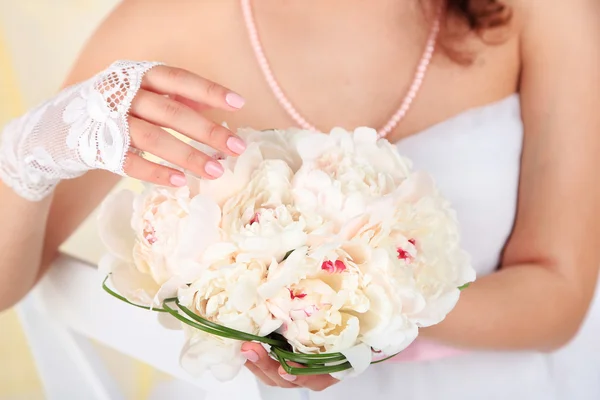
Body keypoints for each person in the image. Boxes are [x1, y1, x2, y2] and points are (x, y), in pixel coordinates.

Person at [1, 0, 599, 398]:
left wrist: (345, 319)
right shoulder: (166, 20)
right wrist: (33, 151)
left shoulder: (541, 11)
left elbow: (558, 294)